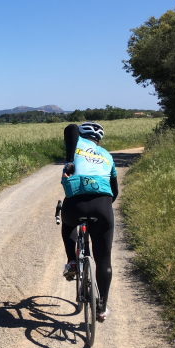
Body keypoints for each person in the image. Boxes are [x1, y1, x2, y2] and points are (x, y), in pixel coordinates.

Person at [60, 121, 117, 322]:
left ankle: (72, 261)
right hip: (103, 207)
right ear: (99, 139)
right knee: (103, 259)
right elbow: (115, 191)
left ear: (81, 136)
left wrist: (69, 161)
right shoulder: (107, 156)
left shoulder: (75, 147)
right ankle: (102, 307)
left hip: (75, 206)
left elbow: (70, 128)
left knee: (67, 222)